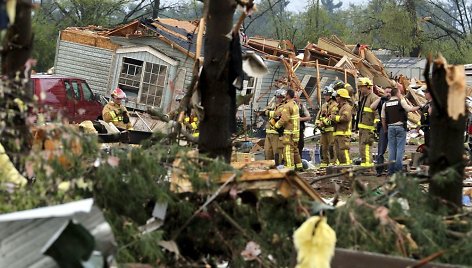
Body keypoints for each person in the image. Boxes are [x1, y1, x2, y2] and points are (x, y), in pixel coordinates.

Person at [381, 85, 420, 175]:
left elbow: (383, 118)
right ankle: (398, 170)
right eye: (400, 93)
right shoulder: (400, 101)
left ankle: (391, 171)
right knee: (399, 149)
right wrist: (418, 107)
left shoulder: (385, 104)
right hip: (400, 127)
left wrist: (385, 129)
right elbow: (409, 109)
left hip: (390, 127)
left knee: (391, 149)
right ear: (397, 93)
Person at [274, 89, 303, 170]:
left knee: (287, 150)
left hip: (289, 132)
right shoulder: (295, 104)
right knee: (295, 149)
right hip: (296, 131)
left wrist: (276, 125)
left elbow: (284, 119)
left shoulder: (287, 106)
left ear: (287, 95)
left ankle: (289, 168)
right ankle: (299, 166)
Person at [355, 77, 380, 167]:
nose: (360, 89)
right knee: (362, 148)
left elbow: (377, 115)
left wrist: (374, 127)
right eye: (360, 87)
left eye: (362, 87)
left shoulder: (374, 98)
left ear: (368, 87)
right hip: (362, 127)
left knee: (366, 147)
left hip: (369, 128)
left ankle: (368, 166)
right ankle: (364, 164)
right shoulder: (362, 98)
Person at [370, 87, 392, 176]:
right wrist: (380, 98)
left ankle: (391, 170)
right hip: (383, 127)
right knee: (381, 150)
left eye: (390, 92)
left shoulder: (395, 101)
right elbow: (372, 107)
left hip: (392, 126)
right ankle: (379, 170)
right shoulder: (381, 101)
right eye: (386, 92)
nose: (388, 94)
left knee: (392, 150)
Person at [315, 86, 338, 167]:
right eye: (324, 95)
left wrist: (322, 123)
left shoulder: (335, 105)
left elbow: (331, 117)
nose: (325, 97)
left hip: (331, 130)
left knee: (331, 147)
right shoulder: (324, 105)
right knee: (323, 147)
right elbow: (319, 115)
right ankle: (324, 163)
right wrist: (317, 124)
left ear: (331, 95)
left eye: (327, 95)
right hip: (323, 130)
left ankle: (333, 163)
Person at [330, 87, 353, 165]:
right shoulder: (339, 107)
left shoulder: (346, 107)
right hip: (338, 133)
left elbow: (345, 118)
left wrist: (334, 117)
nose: (336, 98)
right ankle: (342, 170)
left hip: (344, 134)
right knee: (339, 154)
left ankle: (347, 169)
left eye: (337, 96)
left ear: (342, 97)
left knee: (344, 153)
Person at [263, 89, 286, 164]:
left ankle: (278, 168)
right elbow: (264, 111)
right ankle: (269, 169)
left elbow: (278, 114)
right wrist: (268, 111)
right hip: (268, 133)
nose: (279, 99)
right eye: (278, 97)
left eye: (281, 97)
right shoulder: (273, 104)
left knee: (277, 153)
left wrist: (268, 112)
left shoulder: (285, 106)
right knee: (267, 152)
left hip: (277, 134)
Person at [295, 93, 311, 157]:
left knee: (300, 145)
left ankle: (299, 161)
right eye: (293, 97)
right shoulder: (287, 106)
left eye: (295, 97)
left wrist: (301, 119)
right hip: (289, 130)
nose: (294, 99)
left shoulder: (301, 107)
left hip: (299, 130)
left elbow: (308, 117)